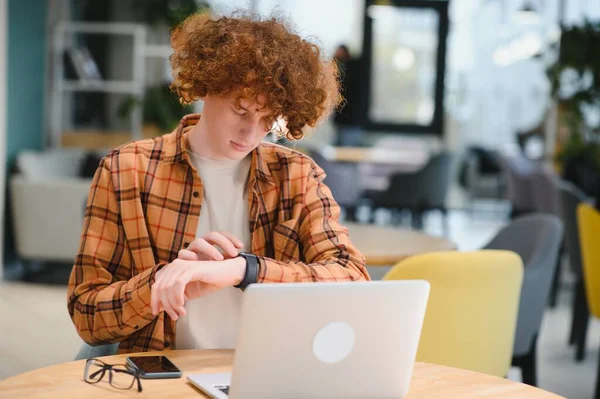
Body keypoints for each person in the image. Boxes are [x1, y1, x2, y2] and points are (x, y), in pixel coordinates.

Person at [67, 12, 370, 354]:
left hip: (266, 371)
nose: (251, 133)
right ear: (207, 85)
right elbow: (86, 314)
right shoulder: (126, 170)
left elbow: (352, 279)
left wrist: (244, 270)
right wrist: (162, 284)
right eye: (241, 111)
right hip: (164, 374)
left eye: (268, 119)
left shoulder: (296, 176)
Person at [332, 44, 364, 147]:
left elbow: (345, 87)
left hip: (351, 120)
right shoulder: (339, 69)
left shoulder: (353, 71)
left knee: (348, 152)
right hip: (341, 120)